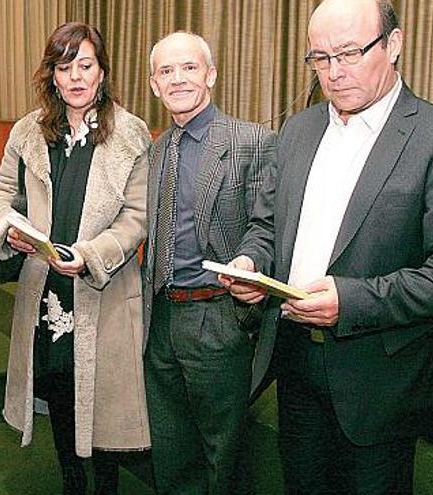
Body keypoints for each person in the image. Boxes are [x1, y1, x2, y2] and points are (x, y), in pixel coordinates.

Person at [226, 1, 433, 493]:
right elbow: (267, 224)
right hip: (295, 362)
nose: (334, 72)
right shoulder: (298, 130)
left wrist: (352, 300)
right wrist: (252, 261)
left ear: (393, 45)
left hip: (381, 379)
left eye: (349, 53)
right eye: (320, 58)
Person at [0, 22, 151, 495]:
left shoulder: (131, 133)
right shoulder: (28, 131)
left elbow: (137, 217)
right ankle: (71, 484)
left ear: (102, 72)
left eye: (85, 65)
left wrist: (90, 255)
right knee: (58, 389)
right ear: (51, 75)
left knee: (99, 402)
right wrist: (7, 227)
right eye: (64, 66)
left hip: (104, 289)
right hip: (46, 293)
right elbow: (0, 193)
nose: (76, 77)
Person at [141, 32, 276, 494]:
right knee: (172, 450)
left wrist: (250, 260)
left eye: (189, 68)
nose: (178, 79)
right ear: (154, 85)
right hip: (159, 317)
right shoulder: (156, 149)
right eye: (166, 71)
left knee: (224, 454)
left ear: (211, 75)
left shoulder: (253, 141)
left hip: (218, 318)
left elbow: (269, 226)